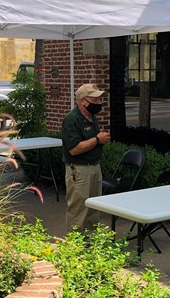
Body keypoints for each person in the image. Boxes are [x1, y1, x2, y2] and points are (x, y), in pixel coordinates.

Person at [61, 83, 111, 232]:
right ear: (82, 100)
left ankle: (91, 241)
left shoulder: (91, 116)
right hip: (79, 170)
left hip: (95, 167)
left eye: (100, 100)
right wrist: (97, 139)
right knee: (78, 209)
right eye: (95, 100)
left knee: (94, 207)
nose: (99, 103)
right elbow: (74, 149)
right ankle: (75, 245)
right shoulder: (72, 119)